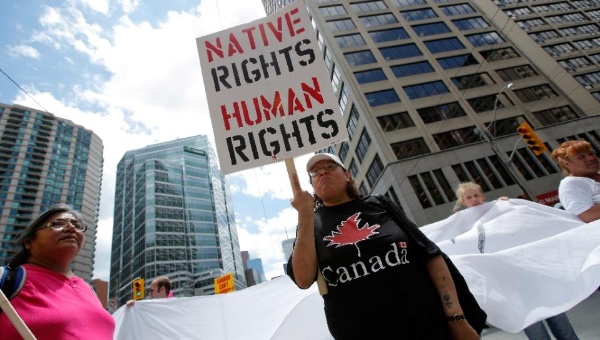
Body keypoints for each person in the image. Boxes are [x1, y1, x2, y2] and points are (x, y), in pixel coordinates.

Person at [286, 153, 481, 339]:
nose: (322, 172)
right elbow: (303, 279)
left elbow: (430, 255)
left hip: (426, 327)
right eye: (315, 172)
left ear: (347, 175)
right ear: (312, 184)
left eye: (330, 167)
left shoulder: (379, 203)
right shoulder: (310, 224)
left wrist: (456, 317)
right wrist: (305, 213)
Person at [454, 181, 579, 340]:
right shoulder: (463, 227)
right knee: (535, 332)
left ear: (483, 196)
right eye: (469, 197)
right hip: (510, 286)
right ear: (463, 202)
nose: (474, 199)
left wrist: (509, 206)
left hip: (532, 275)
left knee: (561, 324)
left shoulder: (500, 209)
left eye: (476, 195)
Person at [0, 204, 115, 339]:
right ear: (28, 242)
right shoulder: (8, 279)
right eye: (57, 224)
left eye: (77, 226)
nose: (72, 228)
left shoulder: (89, 290)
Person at [551, 139, 600, 223]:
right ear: (566, 164)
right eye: (581, 157)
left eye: (591, 153)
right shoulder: (570, 184)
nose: (591, 158)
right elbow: (588, 216)